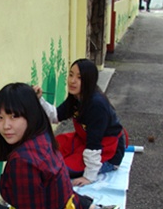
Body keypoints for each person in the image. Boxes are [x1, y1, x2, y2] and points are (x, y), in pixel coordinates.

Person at [34, 59, 127, 188]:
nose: (72, 81)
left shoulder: (96, 104)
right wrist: (39, 100)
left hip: (107, 151)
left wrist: (89, 177)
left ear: (89, 80)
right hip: (85, 141)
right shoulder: (76, 96)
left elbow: (94, 145)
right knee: (49, 149)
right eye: (71, 74)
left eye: (79, 77)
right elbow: (56, 116)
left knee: (59, 170)